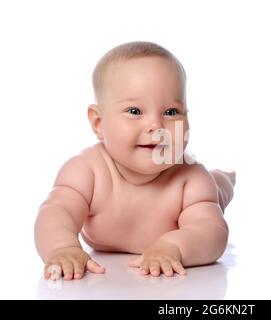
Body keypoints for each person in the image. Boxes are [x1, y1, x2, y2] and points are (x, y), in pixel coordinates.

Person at [34, 41, 236, 280]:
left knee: (216, 186)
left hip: (204, 185)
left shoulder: (190, 180)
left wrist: (175, 246)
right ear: (98, 123)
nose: (155, 126)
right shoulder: (86, 171)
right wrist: (62, 247)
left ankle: (226, 178)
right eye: (134, 111)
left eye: (171, 112)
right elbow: (57, 212)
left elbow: (212, 231)